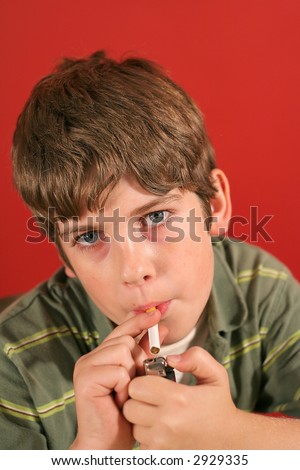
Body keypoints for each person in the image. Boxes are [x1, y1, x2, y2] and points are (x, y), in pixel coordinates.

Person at [0, 51, 299, 450]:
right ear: (63, 256)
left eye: (156, 218)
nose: (134, 269)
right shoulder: (14, 360)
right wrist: (95, 450)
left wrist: (235, 434)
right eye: (89, 238)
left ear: (215, 207)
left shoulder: (262, 290)